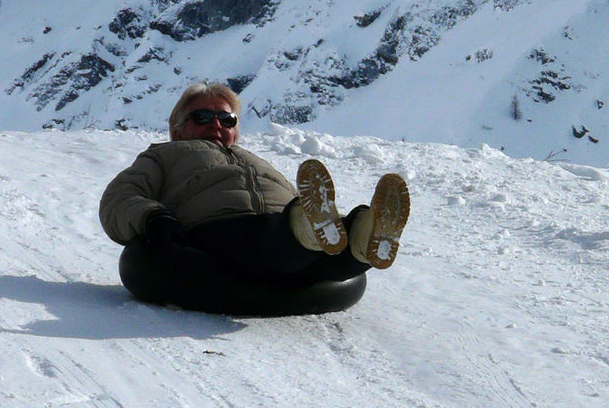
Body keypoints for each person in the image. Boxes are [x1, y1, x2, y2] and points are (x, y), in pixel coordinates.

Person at [99, 81, 410, 312]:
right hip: (219, 229)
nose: (216, 124)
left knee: (323, 253)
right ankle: (305, 231)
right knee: (276, 239)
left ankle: (362, 235)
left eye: (227, 118)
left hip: (277, 225)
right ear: (178, 129)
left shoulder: (255, 160)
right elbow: (121, 196)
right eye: (203, 117)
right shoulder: (163, 155)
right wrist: (152, 217)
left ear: (235, 129)